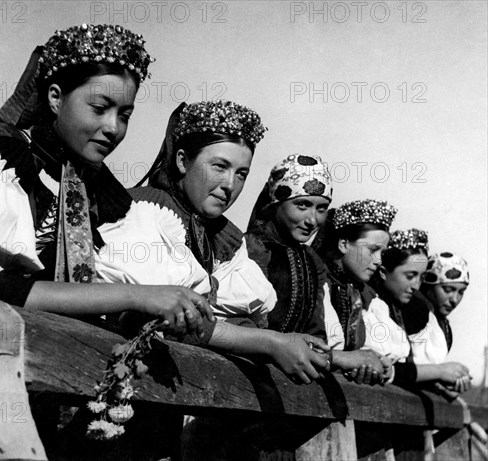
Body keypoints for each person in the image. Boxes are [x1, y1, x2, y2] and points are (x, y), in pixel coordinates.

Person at [0, 24, 214, 338]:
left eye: (124, 115)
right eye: (100, 108)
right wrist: (137, 297)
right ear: (56, 98)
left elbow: (154, 285)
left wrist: (262, 340)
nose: (114, 127)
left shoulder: (90, 181)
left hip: (34, 340)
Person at [95, 101, 331, 383]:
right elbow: (166, 322)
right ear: (183, 161)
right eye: (219, 166)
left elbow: (245, 319)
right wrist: (267, 342)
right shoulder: (140, 212)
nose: (230, 184)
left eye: (241, 173)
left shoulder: (227, 239)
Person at [245, 156, 384, 385]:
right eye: (302, 205)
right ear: (276, 203)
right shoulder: (252, 249)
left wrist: (327, 356)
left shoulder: (312, 260)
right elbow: (245, 325)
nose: (312, 220)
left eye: (321, 209)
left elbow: (316, 333)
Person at [371, 229, 471, 392]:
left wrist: (436, 384)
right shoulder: (405, 310)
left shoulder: (440, 327)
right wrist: (439, 372)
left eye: (461, 291)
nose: (454, 299)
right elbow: (392, 369)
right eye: (448, 289)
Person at [319, 199, 403, 383]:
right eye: (373, 250)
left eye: (382, 252)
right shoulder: (317, 282)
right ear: (343, 244)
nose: (379, 260)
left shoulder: (356, 292)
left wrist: (374, 363)